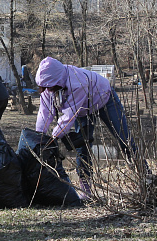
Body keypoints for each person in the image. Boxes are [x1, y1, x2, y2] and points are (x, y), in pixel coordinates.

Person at [34, 56, 144, 196]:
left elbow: (69, 116)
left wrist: (53, 137)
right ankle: (86, 189)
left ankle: (146, 177)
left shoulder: (77, 83)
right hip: (83, 110)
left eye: (50, 87)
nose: (47, 90)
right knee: (82, 146)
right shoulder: (47, 87)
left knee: (124, 139)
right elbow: (44, 114)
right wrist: (39, 137)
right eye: (45, 87)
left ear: (57, 80)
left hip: (104, 98)